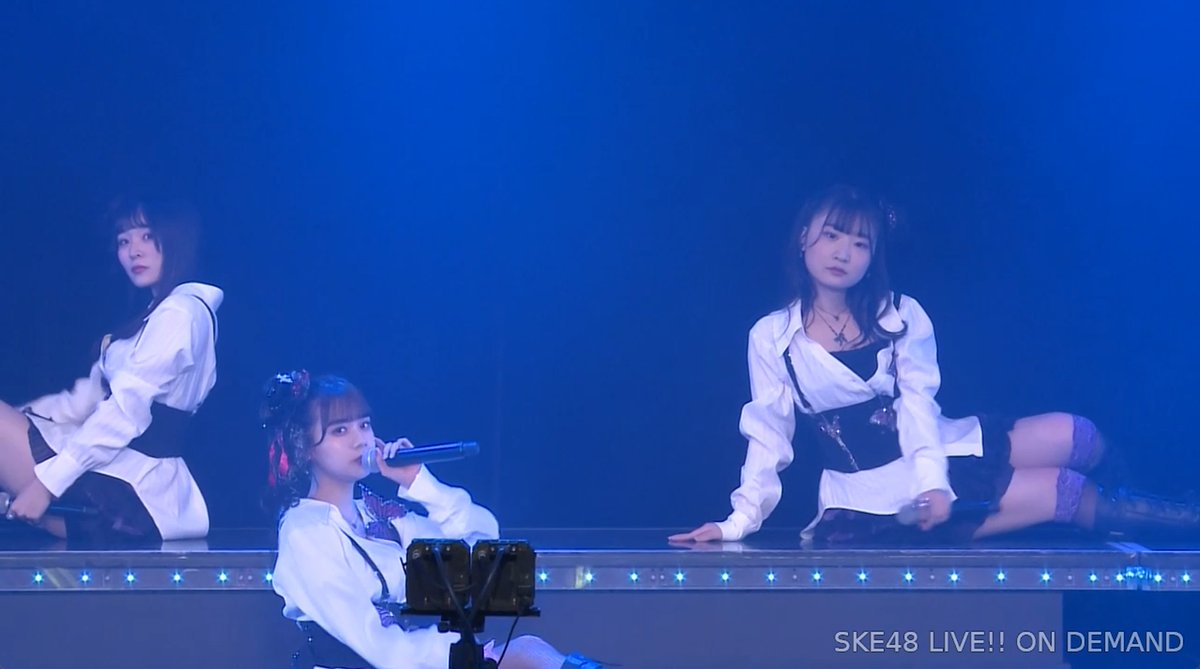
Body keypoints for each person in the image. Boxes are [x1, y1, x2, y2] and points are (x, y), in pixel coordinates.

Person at [671, 185, 1199, 545]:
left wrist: (933, 480)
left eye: (859, 243)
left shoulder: (901, 315)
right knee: (1066, 491)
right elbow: (768, 438)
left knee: (1079, 435)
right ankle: (1167, 523)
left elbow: (918, 404)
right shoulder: (772, 337)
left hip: (938, 450)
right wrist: (737, 523)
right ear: (804, 237)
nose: (843, 253)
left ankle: (1158, 514)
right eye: (832, 236)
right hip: (876, 499)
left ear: (872, 256)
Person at [265, 371, 602, 669]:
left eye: (364, 425)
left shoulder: (378, 515)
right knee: (526, 655)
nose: (360, 440)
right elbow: (377, 645)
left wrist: (419, 482)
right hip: (382, 663)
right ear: (305, 447)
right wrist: (465, 656)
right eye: (340, 430)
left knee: (529, 649)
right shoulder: (305, 531)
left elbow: (483, 548)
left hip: (423, 660)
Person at [0, 199, 219, 543]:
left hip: (125, 495)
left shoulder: (180, 313)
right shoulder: (157, 313)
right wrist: (17, 420)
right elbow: (80, 404)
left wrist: (46, 485)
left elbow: (124, 413)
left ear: (177, 238)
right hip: (112, 476)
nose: (134, 251)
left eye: (147, 236)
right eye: (123, 241)